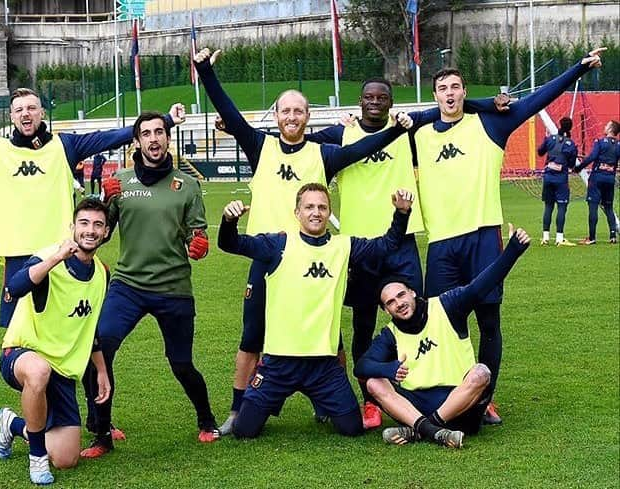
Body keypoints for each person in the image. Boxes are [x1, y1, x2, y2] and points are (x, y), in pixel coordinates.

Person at [193, 47, 421, 434]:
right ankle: (237, 407)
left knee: (330, 331)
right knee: (252, 336)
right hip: (270, 257)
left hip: (316, 253)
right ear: (277, 116)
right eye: (285, 111)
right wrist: (204, 72)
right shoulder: (259, 146)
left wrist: (397, 130)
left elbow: (359, 149)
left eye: (299, 111)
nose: (292, 117)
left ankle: (328, 397)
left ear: (307, 117)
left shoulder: (322, 154)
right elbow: (229, 111)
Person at [411, 47, 605, 424]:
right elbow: (378, 129)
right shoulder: (419, 135)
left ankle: (484, 398)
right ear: (435, 95)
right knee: (445, 325)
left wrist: (577, 70)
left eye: (455, 87)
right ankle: (453, 392)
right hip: (440, 246)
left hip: (484, 238)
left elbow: (537, 99)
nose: (449, 93)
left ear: (463, 92)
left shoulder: (491, 125)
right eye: (442, 88)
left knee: (488, 322)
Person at [0, 91, 186, 329]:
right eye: (19, 109)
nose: (26, 113)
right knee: (18, 333)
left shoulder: (66, 146)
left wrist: (167, 121)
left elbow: (111, 137)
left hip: (62, 254)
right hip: (18, 257)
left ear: (41, 112)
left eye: (31, 108)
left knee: (65, 324)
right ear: (12, 116)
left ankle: (69, 403)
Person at [302, 79, 506, 429]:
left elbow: (446, 107)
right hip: (360, 247)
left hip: (402, 242)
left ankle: (465, 392)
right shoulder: (341, 133)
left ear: (392, 102)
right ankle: (369, 401)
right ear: (360, 102)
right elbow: (300, 142)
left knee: (425, 317)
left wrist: (488, 102)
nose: (375, 103)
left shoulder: (407, 130)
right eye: (369, 97)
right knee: (362, 324)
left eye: (382, 97)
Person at [218, 183, 414, 438]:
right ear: (297, 212)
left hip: (323, 365)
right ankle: (262, 398)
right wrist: (228, 220)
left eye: (322, 207)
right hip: (279, 363)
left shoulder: (343, 247)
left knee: (351, 428)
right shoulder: (277, 244)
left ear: (329, 212)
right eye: (309, 206)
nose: (316, 212)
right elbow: (229, 243)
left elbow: (386, 245)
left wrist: (401, 213)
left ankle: (322, 401)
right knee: (245, 431)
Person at [80, 111, 218, 458]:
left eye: (159, 132)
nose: (154, 139)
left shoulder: (186, 185)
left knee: (181, 363)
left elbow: (196, 234)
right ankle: (101, 432)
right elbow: (98, 232)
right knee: (97, 350)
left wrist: (198, 245)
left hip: (173, 289)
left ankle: (206, 419)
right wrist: (104, 198)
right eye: (146, 134)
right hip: (128, 286)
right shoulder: (121, 183)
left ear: (167, 139)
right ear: (136, 142)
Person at [354, 224, 531, 449]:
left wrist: (513, 250)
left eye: (401, 295)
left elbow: (479, 287)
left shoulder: (447, 305)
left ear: (413, 292)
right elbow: (361, 366)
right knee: (374, 383)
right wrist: (388, 369)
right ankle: (435, 432)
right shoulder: (391, 333)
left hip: (460, 403)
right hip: (417, 405)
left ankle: (423, 430)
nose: (399, 303)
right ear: (386, 310)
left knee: (481, 373)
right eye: (391, 302)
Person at [0, 198, 112, 485]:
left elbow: (90, 326)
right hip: (22, 354)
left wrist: (101, 370)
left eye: (97, 225)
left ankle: (12, 424)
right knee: (38, 371)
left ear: (106, 232)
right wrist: (57, 257)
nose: (90, 230)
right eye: (84, 223)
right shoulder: (48, 257)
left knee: (67, 458)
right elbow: (15, 287)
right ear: (73, 227)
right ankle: (36, 459)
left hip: (62, 371)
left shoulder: (102, 274)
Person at [574, 119, 620, 245]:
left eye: (607, 125)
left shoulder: (599, 142)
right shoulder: (618, 145)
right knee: (609, 207)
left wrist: (578, 168)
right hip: (610, 179)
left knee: (593, 205)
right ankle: (612, 236)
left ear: (611, 129)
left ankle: (592, 237)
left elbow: (592, 157)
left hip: (597, 178)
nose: (605, 126)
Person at [537, 117, 578, 246]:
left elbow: (540, 152)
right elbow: (571, 164)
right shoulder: (571, 144)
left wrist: (547, 142)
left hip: (548, 177)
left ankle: (545, 237)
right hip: (561, 180)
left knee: (548, 207)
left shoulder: (550, 139)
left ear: (559, 124)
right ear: (570, 128)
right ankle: (559, 238)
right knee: (561, 207)